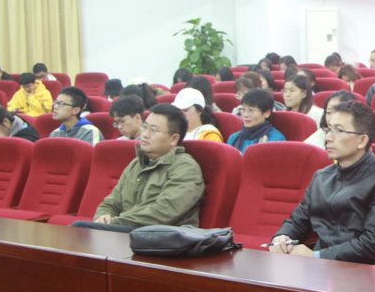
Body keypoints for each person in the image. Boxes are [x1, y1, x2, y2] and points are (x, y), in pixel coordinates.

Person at [271, 101, 375, 264]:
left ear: (362, 140)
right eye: (329, 129)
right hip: (321, 265)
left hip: (361, 269)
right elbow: (298, 220)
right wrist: (283, 236)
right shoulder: (322, 177)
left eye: (339, 130)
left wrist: (318, 256)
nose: (328, 137)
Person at [71, 103, 204, 233]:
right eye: (145, 127)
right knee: (79, 230)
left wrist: (116, 222)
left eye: (153, 130)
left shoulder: (185, 167)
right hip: (130, 230)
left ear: (174, 139)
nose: (145, 134)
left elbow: (165, 211)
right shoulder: (136, 164)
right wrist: (103, 216)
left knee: (79, 228)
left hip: (161, 236)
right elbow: (112, 202)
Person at [227, 89, 287, 153]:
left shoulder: (276, 140)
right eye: (243, 109)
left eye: (251, 110)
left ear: (267, 113)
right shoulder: (234, 138)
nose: (245, 115)